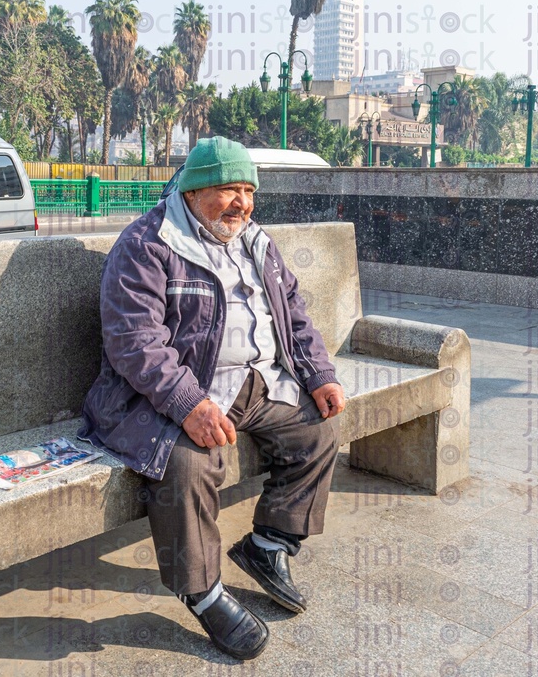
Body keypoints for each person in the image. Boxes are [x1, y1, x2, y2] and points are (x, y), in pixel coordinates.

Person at [80, 136, 345, 660]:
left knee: (318, 426)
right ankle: (202, 591)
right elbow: (135, 342)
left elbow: (294, 313)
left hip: (253, 381)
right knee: (187, 464)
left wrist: (318, 372)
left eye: (248, 190)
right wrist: (189, 404)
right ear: (195, 190)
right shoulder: (148, 245)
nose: (241, 203)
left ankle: (269, 546)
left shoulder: (256, 243)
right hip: (159, 395)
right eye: (228, 189)